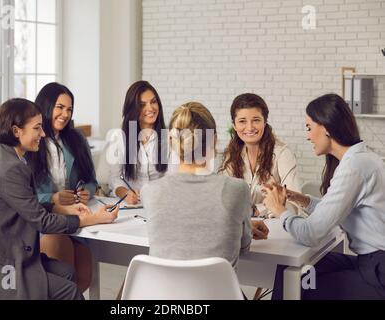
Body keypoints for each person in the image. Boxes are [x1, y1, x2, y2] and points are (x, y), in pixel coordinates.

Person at [0, 98, 118, 300]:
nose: (43, 133)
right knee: (70, 291)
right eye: (37, 128)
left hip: (0, 251)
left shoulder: (7, 157)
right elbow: (41, 222)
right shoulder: (9, 168)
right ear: (16, 131)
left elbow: (26, 206)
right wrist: (91, 219)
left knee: (68, 273)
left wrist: (60, 209)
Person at [262, 93, 385, 299]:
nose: (308, 136)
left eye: (309, 128)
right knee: (289, 269)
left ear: (326, 127)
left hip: (377, 271)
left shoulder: (353, 167)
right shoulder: (362, 158)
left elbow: (311, 233)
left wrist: (280, 211)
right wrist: (297, 198)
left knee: (296, 284)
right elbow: (332, 210)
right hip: (373, 262)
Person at [142, 102, 269, 276]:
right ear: (214, 140)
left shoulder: (149, 191)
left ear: (171, 142)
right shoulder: (237, 189)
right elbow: (244, 246)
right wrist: (237, 225)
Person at [26, 82, 98, 293]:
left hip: (74, 220)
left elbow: (92, 180)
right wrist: (53, 198)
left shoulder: (76, 139)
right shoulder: (30, 142)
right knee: (64, 282)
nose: (64, 114)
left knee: (84, 277)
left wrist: (87, 191)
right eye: (60, 107)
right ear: (46, 106)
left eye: (69, 109)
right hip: (44, 224)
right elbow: (24, 195)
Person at [219, 93, 302, 217]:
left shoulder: (282, 154)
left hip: (277, 228)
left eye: (256, 120)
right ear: (234, 126)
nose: (250, 127)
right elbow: (223, 198)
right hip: (241, 227)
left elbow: (294, 204)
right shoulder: (230, 155)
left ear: (265, 122)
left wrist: (256, 210)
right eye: (242, 121)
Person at [108, 80, 168, 204]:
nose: (150, 108)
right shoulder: (119, 137)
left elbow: (173, 178)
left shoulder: (169, 138)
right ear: (132, 109)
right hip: (131, 206)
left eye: (153, 102)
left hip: (160, 204)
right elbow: (114, 178)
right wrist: (125, 193)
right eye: (142, 104)